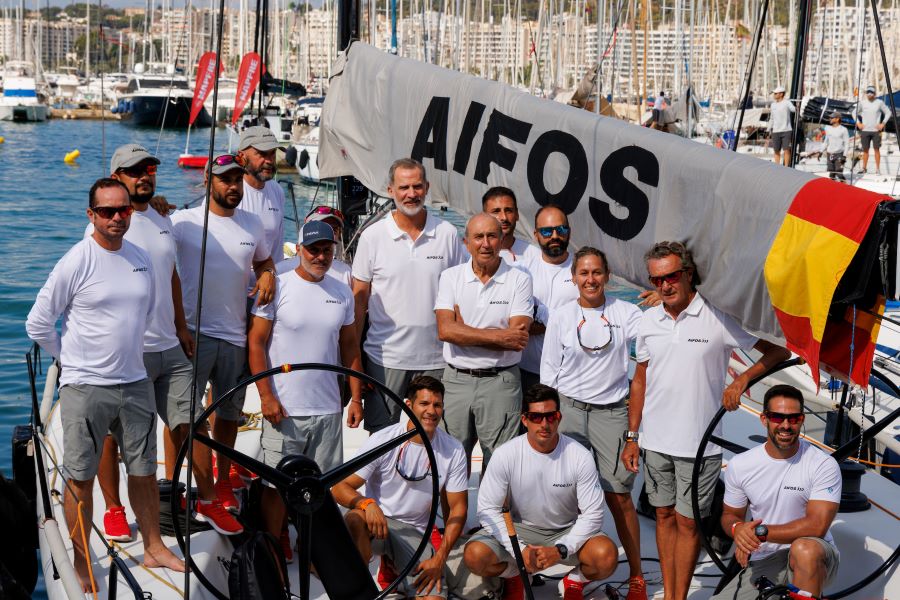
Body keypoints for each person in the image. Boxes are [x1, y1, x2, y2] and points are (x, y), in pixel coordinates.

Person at [26, 178, 185, 591]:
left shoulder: (140, 258)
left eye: (124, 210)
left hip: (135, 382)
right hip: (85, 387)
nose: (117, 217)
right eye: (107, 211)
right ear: (91, 215)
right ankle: (82, 563)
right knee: (80, 478)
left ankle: (153, 545)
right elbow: (38, 321)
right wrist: (69, 360)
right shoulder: (76, 260)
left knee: (145, 470)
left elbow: (148, 312)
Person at [621, 241, 791, 600]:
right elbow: (640, 379)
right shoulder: (649, 320)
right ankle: (670, 595)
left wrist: (742, 380)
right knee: (664, 518)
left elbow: (778, 351)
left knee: (688, 523)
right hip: (654, 442)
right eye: (657, 280)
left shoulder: (717, 316)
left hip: (700, 445)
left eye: (671, 276)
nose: (665, 286)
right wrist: (632, 436)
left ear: (688, 274)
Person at [93, 145, 242, 539]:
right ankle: (113, 508)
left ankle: (208, 499)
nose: (144, 175)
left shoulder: (161, 217)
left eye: (149, 169)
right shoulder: (107, 225)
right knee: (114, 433)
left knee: (192, 424)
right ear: (116, 179)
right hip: (128, 351)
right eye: (133, 171)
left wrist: (181, 327)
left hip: (170, 347)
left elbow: (172, 275)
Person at [248, 220, 363, 558]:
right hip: (284, 408)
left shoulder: (342, 291)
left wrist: (355, 398)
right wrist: (266, 396)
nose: (320, 256)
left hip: (328, 409)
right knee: (275, 487)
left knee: (322, 486)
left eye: (327, 250)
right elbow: (255, 343)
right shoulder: (277, 287)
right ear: (298, 250)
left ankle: (312, 545)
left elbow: (350, 347)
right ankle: (275, 542)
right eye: (313, 249)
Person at [541, 247, 647, 600]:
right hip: (568, 411)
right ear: (573, 278)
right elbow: (549, 373)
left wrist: (661, 299)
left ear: (608, 276)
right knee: (569, 493)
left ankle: (636, 576)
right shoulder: (561, 316)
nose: (590, 279)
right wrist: (550, 418)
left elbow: (655, 337)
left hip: (612, 413)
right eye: (583, 273)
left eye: (596, 273)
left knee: (619, 497)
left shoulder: (627, 313)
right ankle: (578, 571)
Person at [171, 154, 276, 512]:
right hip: (192, 334)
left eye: (236, 179)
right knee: (183, 416)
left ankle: (222, 481)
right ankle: (176, 485)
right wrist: (152, 208)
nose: (232, 186)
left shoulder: (253, 224)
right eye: (224, 179)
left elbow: (263, 260)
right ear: (207, 180)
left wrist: (267, 273)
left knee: (228, 413)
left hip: (235, 335)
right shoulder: (182, 222)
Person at [463, 384, 618, 600]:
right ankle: (515, 573)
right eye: (536, 417)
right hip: (519, 530)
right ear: (524, 420)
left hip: (565, 530)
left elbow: (593, 515)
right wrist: (521, 550)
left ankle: (573, 580)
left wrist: (561, 550)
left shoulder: (580, 456)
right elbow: (487, 510)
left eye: (550, 416)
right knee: (474, 556)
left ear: (559, 417)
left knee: (607, 557)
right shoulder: (505, 455)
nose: (544, 424)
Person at [352, 158, 467, 433]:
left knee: (432, 439)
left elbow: (460, 299)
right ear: (390, 190)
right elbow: (358, 303)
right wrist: (355, 362)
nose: (411, 193)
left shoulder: (448, 234)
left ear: (427, 187)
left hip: (437, 360)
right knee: (381, 441)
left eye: (417, 186)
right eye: (404, 187)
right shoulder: (372, 237)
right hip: (384, 359)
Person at [333, 376, 469, 599]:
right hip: (376, 524)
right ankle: (361, 591)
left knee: (433, 598)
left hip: (415, 532)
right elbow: (340, 486)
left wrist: (440, 558)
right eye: (424, 404)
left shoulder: (453, 449)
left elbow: (458, 510)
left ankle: (393, 572)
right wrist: (366, 503)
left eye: (437, 405)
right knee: (356, 518)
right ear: (409, 405)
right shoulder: (384, 439)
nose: (431, 411)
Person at [712, 384, 841, 600]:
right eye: (777, 417)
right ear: (764, 419)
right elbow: (729, 516)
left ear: (802, 420)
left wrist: (757, 533)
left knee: (804, 549)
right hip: (765, 558)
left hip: (816, 553)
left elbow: (816, 526)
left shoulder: (823, 464)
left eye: (794, 419)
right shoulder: (741, 464)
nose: (785, 425)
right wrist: (739, 530)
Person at [435, 213, 533, 471]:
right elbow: (445, 331)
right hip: (456, 381)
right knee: (450, 463)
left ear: (502, 240)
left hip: (501, 382)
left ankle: (493, 514)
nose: (485, 243)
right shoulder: (450, 277)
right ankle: (455, 514)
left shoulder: (520, 280)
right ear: (466, 242)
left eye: (492, 236)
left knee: (500, 465)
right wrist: (499, 335)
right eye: (478, 237)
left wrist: (464, 331)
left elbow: (517, 340)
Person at [517, 205, 578, 392]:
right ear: (536, 234)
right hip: (528, 372)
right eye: (546, 231)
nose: (554, 236)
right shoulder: (522, 270)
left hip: (571, 373)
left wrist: (543, 326)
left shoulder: (584, 270)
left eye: (560, 229)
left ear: (569, 232)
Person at [237, 126, 286, 266]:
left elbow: (277, 248)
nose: (269, 160)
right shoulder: (229, 193)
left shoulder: (277, 191)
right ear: (242, 156)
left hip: (268, 281)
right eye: (262, 154)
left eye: (272, 153)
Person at [276, 205, 352, 287]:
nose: (329, 232)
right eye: (323, 227)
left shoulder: (345, 272)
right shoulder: (280, 270)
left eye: (334, 229)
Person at [481, 187, 534, 266]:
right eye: (496, 211)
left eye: (508, 210)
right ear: (484, 216)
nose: (504, 217)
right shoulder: (470, 254)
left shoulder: (534, 255)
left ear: (517, 214)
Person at [853, 85, 892, 174]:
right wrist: (858, 123)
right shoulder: (862, 103)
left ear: (875, 93)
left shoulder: (879, 102)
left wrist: (883, 123)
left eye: (872, 92)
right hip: (865, 130)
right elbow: (853, 112)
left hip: (876, 131)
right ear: (866, 93)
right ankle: (864, 168)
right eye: (868, 92)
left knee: (876, 150)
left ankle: (877, 169)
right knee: (865, 150)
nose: (870, 94)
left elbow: (888, 112)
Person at [770, 86, 796, 166]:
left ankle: (786, 166)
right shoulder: (773, 105)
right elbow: (772, 118)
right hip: (775, 131)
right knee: (776, 150)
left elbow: (793, 109)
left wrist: (796, 106)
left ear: (781, 94)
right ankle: (777, 166)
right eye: (774, 94)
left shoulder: (787, 102)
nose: (774, 95)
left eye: (775, 93)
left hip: (786, 130)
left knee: (786, 150)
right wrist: (768, 129)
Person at [823, 112, 849, 182]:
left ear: (837, 119)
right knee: (832, 174)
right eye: (830, 118)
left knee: (839, 173)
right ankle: (832, 191)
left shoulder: (843, 129)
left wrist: (844, 156)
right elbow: (826, 141)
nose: (830, 119)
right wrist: (820, 151)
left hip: (839, 154)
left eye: (832, 118)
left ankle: (845, 188)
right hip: (830, 154)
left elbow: (847, 144)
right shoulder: (827, 128)